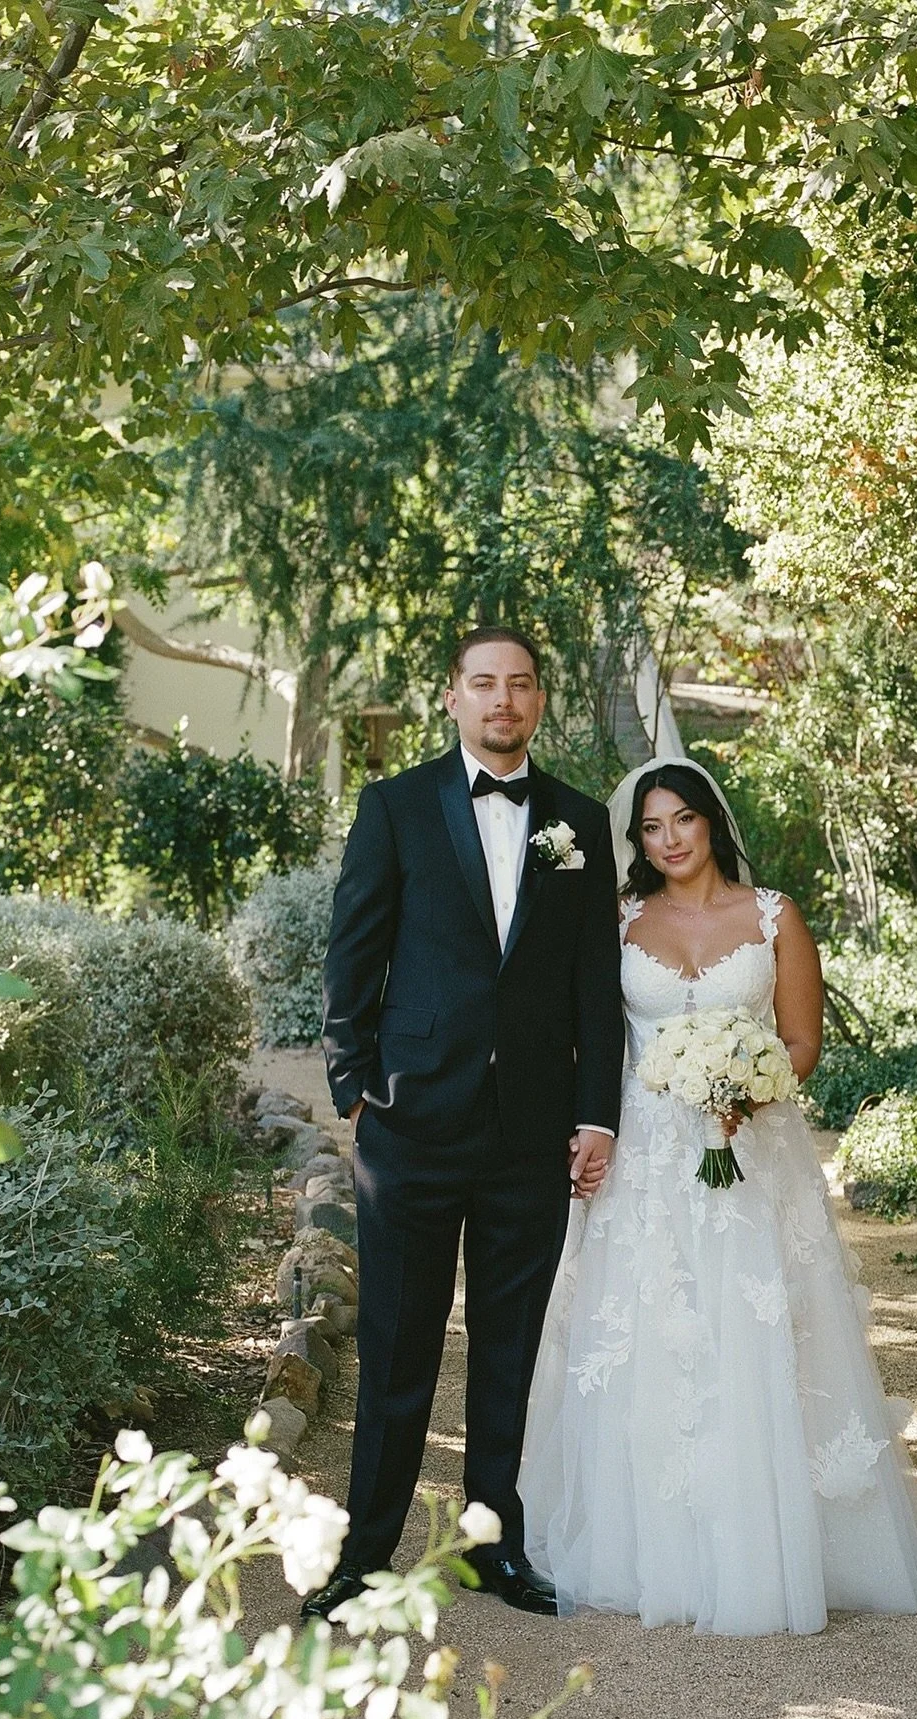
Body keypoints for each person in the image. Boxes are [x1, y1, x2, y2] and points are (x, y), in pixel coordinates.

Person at [520, 759, 917, 1635]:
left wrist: (747, 1088)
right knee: (653, 1331)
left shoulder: (773, 916)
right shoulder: (618, 919)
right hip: (646, 1160)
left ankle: (774, 1544)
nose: (669, 839)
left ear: (711, 822)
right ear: (637, 841)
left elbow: (801, 1043)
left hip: (751, 1151)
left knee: (758, 1330)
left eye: (682, 819)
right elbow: (588, 1032)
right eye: (651, 828)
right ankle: (656, 1547)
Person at [305, 628, 625, 1622]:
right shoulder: (395, 807)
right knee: (397, 1350)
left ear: (539, 700)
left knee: (507, 1352)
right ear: (452, 697)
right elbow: (352, 951)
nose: (503, 701)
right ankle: (364, 1558)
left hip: (531, 1132)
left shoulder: (578, 820)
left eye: (520, 684)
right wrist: (353, 1083)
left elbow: (594, 981)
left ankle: (491, 1550)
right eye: (484, 684)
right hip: (410, 1125)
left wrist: (596, 1114)